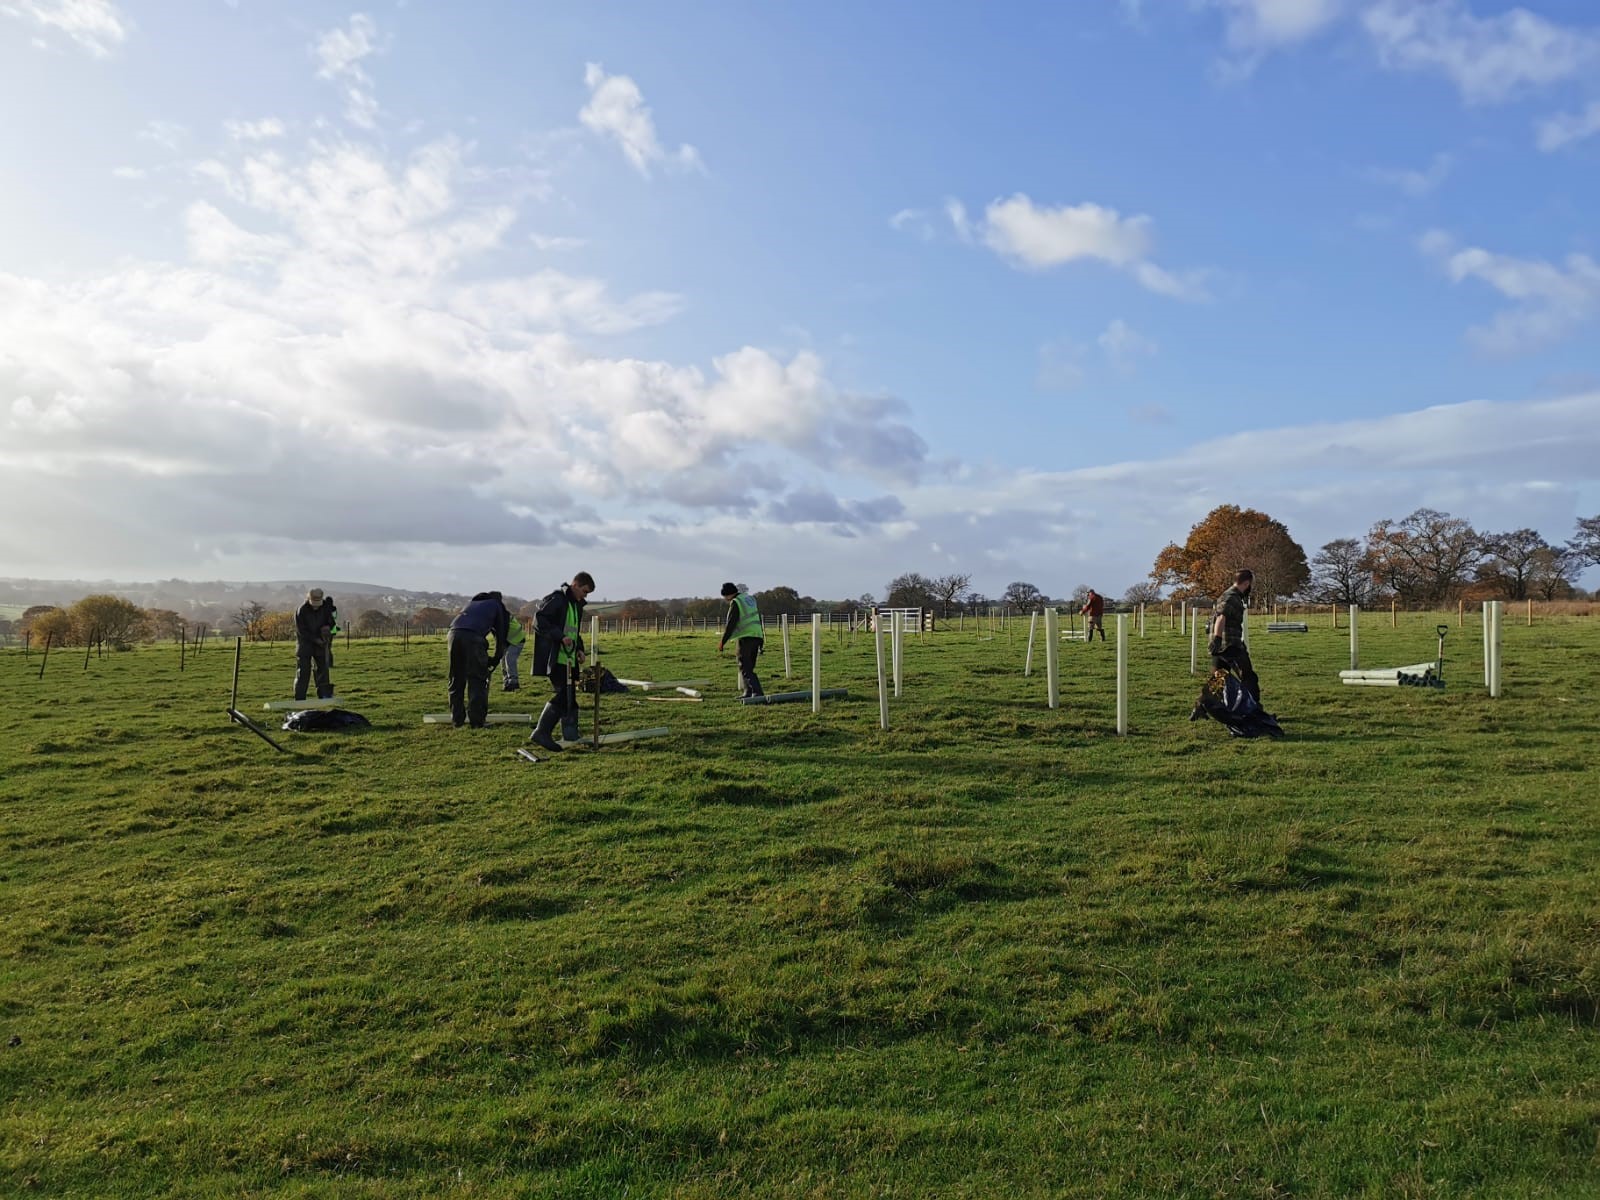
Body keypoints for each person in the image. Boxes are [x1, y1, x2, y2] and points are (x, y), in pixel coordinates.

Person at [529, 572, 595, 752]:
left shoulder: (576, 605)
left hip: (570, 658)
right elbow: (539, 620)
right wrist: (560, 637)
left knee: (570, 697)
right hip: (556, 658)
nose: (585, 596)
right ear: (575, 585)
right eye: (584, 591)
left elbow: (574, 631)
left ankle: (571, 736)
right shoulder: (557, 599)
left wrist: (580, 649)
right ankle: (541, 732)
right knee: (564, 696)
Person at [446, 591, 511, 728]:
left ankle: (457, 720)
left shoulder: (472, 603)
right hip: (473, 636)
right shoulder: (496, 605)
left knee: (456, 678)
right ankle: (477, 721)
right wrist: (496, 658)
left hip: (453, 634)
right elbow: (501, 634)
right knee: (477, 679)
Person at [1209, 568, 1262, 707]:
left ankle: (1205, 705)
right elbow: (1221, 618)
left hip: (1223, 645)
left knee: (1218, 678)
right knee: (1248, 677)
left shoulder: (1227, 595)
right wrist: (1217, 639)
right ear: (1246, 583)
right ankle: (1254, 708)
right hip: (1230, 645)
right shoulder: (1231, 597)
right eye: (1250, 584)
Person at [718, 582, 765, 698]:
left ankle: (757, 692)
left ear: (728, 595)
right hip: (757, 635)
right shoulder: (750, 599)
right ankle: (748, 692)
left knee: (744, 666)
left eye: (725, 598)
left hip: (745, 637)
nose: (726, 600)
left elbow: (731, 623)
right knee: (750, 666)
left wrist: (723, 641)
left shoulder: (736, 602)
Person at [293, 587, 335, 701]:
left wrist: (328, 628)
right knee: (303, 672)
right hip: (305, 644)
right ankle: (300, 699)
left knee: (323, 671)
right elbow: (302, 631)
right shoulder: (301, 610)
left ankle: (324, 698)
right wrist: (316, 640)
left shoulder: (326, 608)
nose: (316, 605)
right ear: (308, 598)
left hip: (321, 644)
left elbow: (331, 622)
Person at [501, 615, 526, 691]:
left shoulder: (498, 615)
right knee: (502, 660)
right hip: (508, 639)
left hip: (518, 639)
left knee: (509, 658)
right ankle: (507, 681)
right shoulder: (499, 613)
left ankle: (513, 682)